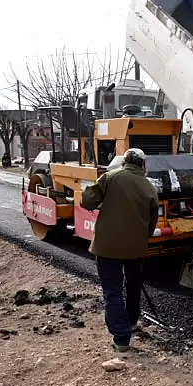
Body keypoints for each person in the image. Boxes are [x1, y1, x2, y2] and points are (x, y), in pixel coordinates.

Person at [81, 148, 159, 353]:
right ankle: (131, 322)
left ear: (125, 162)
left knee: (112, 290)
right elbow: (152, 223)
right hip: (136, 248)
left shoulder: (110, 177)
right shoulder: (149, 187)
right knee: (133, 286)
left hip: (108, 247)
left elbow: (87, 201)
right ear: (143, 164)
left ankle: (122, 338)